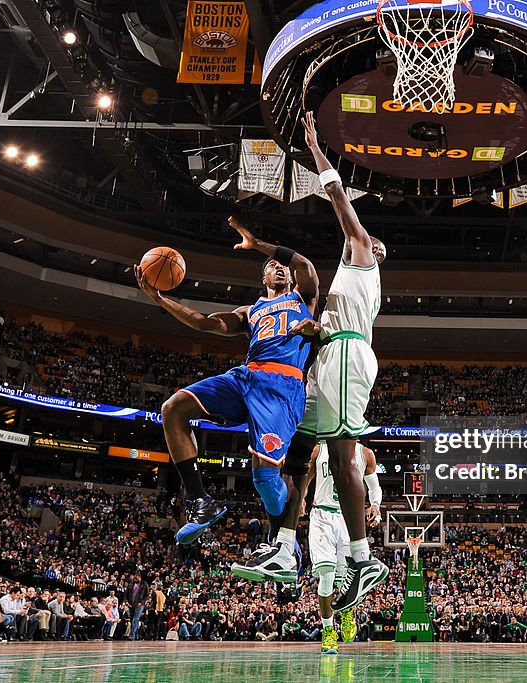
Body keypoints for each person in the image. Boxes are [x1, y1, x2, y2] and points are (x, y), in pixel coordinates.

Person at [235, 111, 388, 608]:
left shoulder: (361, 257)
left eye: (371, 238)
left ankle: (364, 561)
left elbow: (340, 200)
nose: (367, 237)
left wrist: (317, 148)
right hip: (329, 357)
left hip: (347, 355)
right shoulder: (345, 278)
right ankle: (283, 546)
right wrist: (312, 330)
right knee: (300, 448)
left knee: (343, 452)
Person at [135, 217, 319, 546]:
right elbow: (205, 324)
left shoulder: (303, 299)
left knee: (264, 478)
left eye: (282, 266)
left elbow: (303, 263)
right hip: (247, 376)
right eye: (272, 266)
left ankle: (282, 539)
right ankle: (200, 502)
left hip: (283, 384)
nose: (279, 269)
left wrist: (257, 244)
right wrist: (161, 300)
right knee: (173, 408)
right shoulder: (251, 311)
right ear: (262, 276)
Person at [305, 442, 381, 654]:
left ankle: (347, 611)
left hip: (350, 517)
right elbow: (307, 476)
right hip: (321, 515)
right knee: (327, 575)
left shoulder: (365, 453)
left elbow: (374, 486)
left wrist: (375, 505)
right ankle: (328, 631)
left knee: (346, 578)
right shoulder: (319, 449)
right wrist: (301, 497)